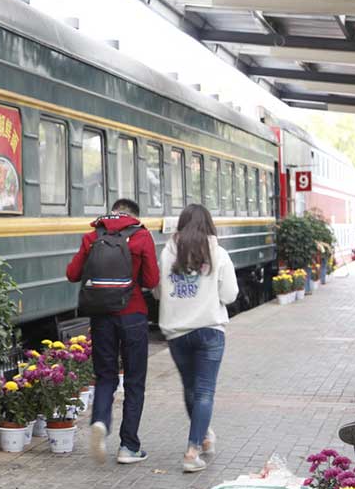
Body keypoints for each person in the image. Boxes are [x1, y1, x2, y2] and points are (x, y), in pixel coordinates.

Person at [66, 198, 159, 465]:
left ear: (112, 213)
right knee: (134, 381)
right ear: (133, 216)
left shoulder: (92, 235)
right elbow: (152, 281)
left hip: (101, 317)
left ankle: (100, 422)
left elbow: (72, 274)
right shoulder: (141, 236)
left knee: (105, 376)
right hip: (133, 316)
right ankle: (129, 447)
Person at [155, 203, 238, 472]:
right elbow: (229, 295)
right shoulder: (219, 253)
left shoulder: (167, 254)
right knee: (204, 392)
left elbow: (157, 292)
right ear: (209, 225)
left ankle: (203, 437)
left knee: (191, 389)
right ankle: (192, 452)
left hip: (177, 333)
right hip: (209, 331)